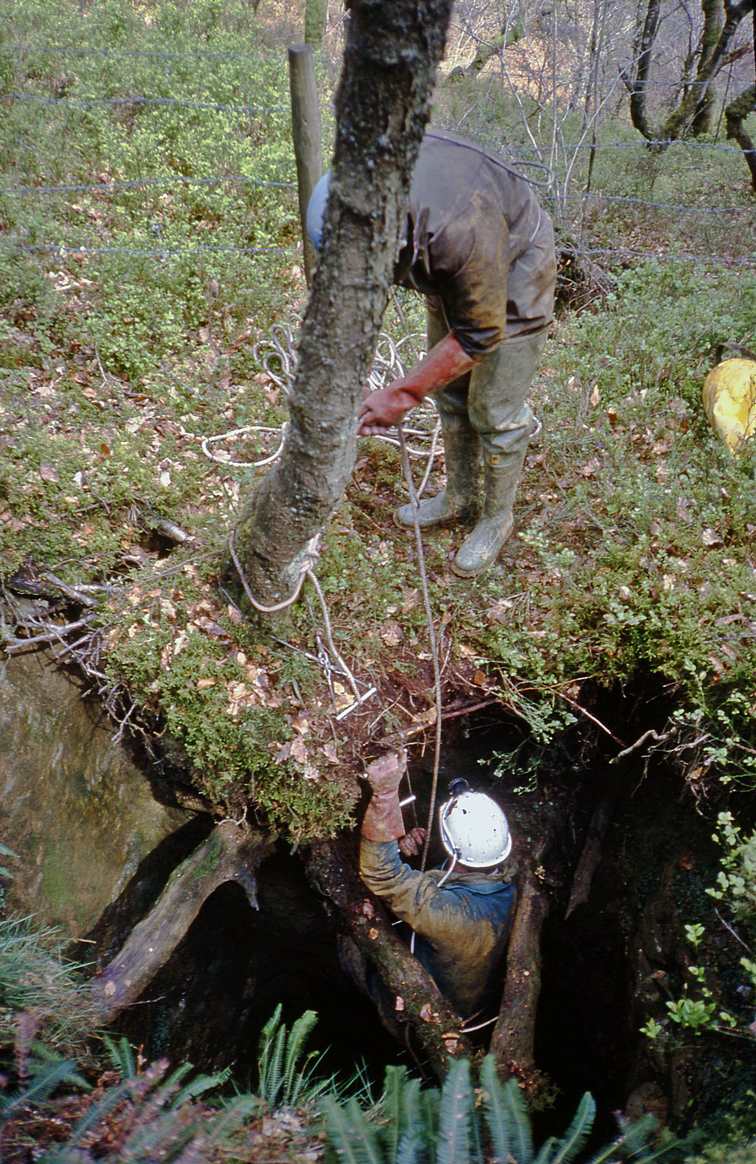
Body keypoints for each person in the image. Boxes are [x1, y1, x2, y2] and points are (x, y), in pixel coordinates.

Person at [306, 129, 557, 577]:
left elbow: (479, 333)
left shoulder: (458, 231)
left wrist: (402, 394)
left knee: (494, 410)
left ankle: (496, 519)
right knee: (451, 391)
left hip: (517, 265)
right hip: (450, 259)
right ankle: (460, 497)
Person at [359, 750, 516, 1021]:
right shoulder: (504, 877)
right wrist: (412, 846)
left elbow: (380, 872)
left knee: (352, 949)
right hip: (468, 986)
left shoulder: (450, 915)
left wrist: (385, 794)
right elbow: (456, 867)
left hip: (432, 1004)